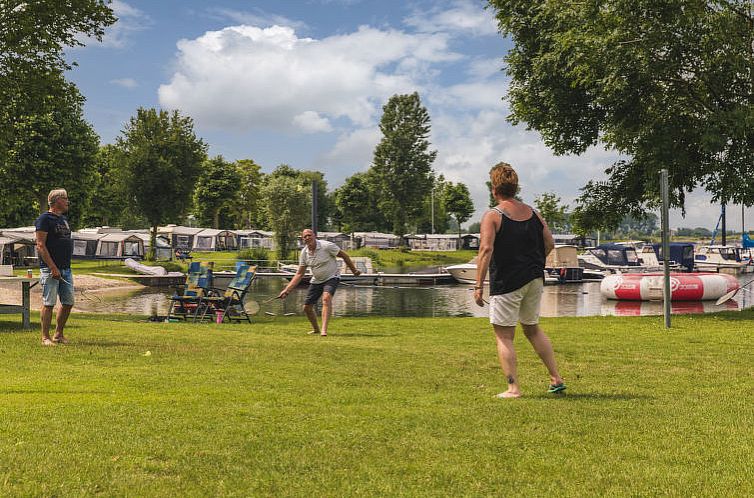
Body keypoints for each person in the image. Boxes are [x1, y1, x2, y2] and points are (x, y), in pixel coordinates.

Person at [474, 162, 565, 398]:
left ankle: (513, 388)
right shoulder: (534, 213)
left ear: (494, 189)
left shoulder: (493, 216)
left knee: (504, 335)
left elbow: (485, 250)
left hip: (507, 281)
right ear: (516, 188)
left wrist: (478, 285)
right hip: (534, 278)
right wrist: (534, 262)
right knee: (532, 329)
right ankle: (556, 378)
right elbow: (550, 244)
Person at [278, 229, 362, 336]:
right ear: (303, 239)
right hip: (316, 280)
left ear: (314, 236)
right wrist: (286, 290)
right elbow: (299, 274)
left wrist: (354, 270)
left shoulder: (326, 246)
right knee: (307, 308)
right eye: (305, 237)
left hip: (332, 276)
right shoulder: (304, 253)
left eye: (309, 235)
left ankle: (324, 330)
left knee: (326, 298)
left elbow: (344, 256)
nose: (307, 238)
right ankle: (316, 329)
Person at [34, 188, 75, 346]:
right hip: (50, 269)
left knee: (68, 302)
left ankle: (58, 334)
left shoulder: (63, 219)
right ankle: (45, 337)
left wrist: (63, 268)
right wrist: (52, 267)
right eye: (65, 199)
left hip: (66, 268)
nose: (67, 202)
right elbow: (40, 245)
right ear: (57, 200)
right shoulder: (44, 219)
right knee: (49, 303)